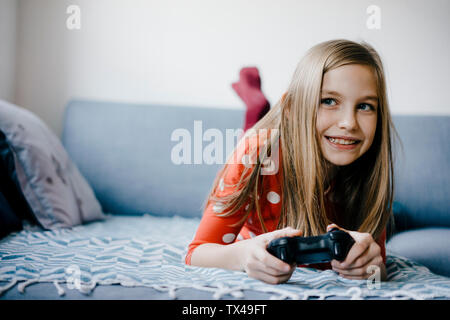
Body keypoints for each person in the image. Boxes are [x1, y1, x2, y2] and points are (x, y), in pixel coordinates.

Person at [185, 39, 397, 284]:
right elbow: (196, 253)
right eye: (328, 101)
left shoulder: (369, 172)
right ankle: (256, 104)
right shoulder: (257, 153)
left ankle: (260, 106)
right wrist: (243, 256)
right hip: (271, 150)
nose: (349, 123)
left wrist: (370, 266)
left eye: (364, 106)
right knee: (255, 136)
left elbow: (378, 268)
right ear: (292, 108)